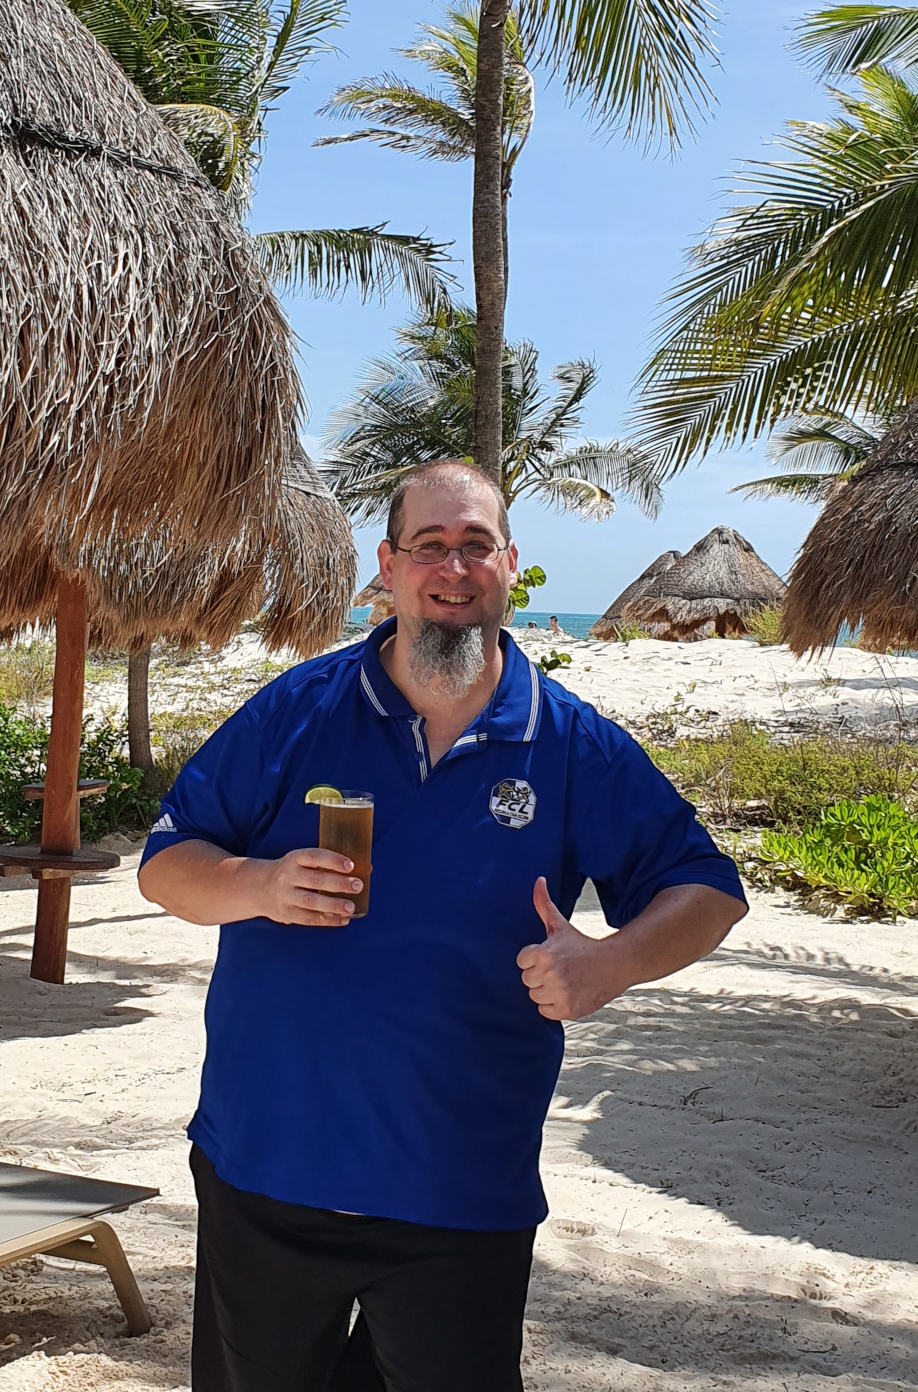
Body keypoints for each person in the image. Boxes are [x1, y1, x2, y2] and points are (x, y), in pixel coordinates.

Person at [138, 459, 747, 1392]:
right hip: (265, 1168)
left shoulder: (569, 741)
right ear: (388, 567)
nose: (453, 569)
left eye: (476, 546)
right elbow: (166, 865)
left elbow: (707, 889)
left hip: (461, 1189)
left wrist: (613, 962)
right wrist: (257, 883)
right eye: (429, 546)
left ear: (510, 565)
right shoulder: (297, 712)